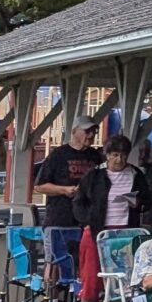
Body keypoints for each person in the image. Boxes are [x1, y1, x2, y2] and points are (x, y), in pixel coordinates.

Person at [33, 121, 98, 283]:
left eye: (94, 131)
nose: (91, 135)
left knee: (84, 262)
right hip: (60, 217)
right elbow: (39, 186)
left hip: (87, 220)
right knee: (54, 260)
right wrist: (64, 190)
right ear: (75, 131)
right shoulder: (58, 155)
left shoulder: (96, 156)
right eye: (87, 131)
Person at [78, 132, 152, 235]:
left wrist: (138, 203)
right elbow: (78, 201)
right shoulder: (94, 174)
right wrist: (86, 223)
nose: (119, 160)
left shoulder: (136, 174)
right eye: (115, 155)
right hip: (99, 230)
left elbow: (147, 202)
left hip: (128, 229)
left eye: (123, 155)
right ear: (107, 155)